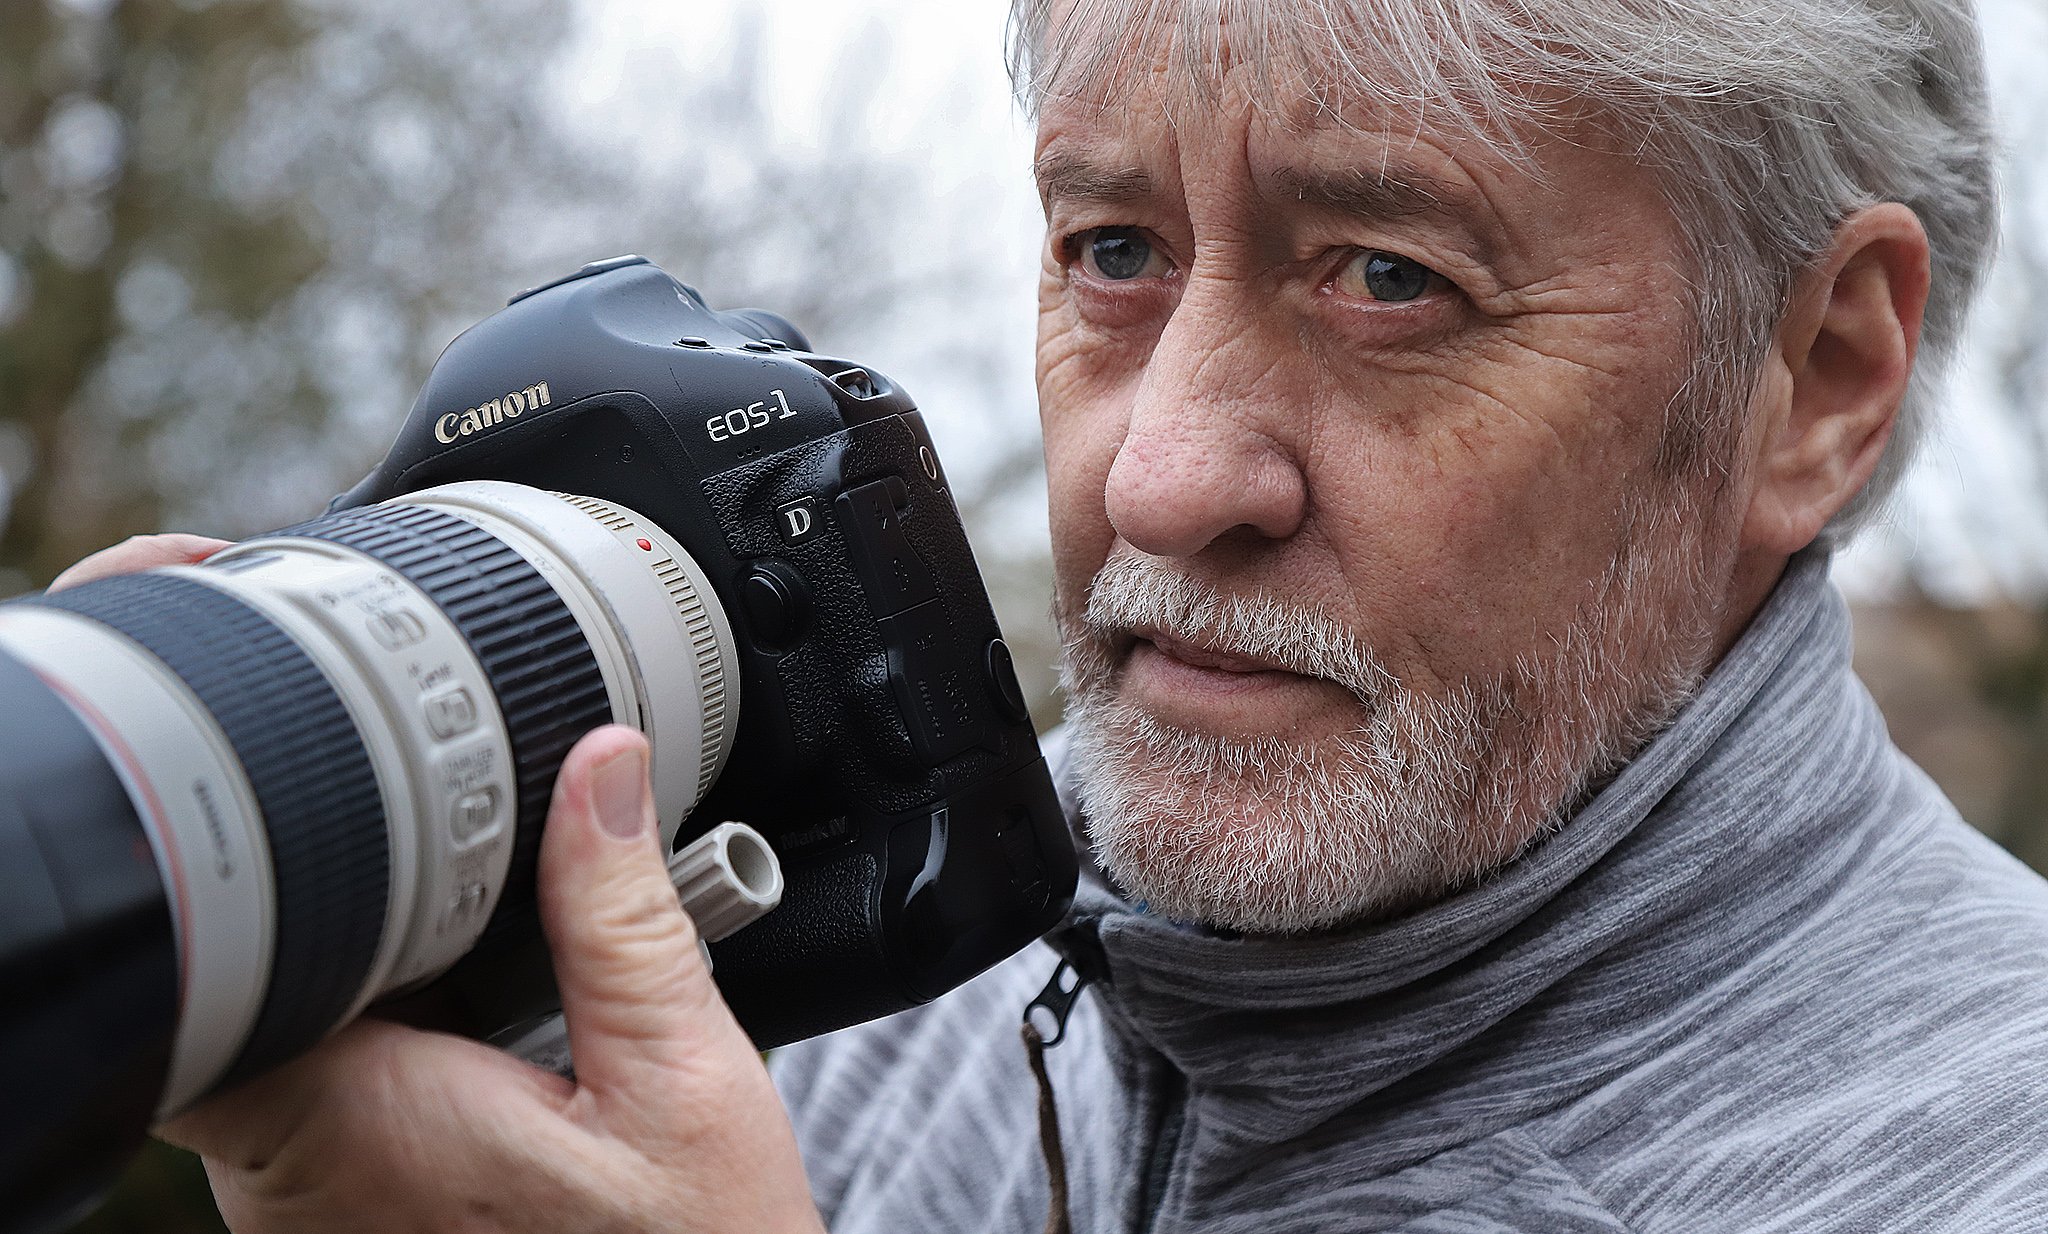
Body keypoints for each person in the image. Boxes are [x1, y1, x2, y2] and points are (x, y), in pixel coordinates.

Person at [56, 0, 2048, 1229]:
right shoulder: (799, 984)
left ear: (1816, 377)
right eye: (1109, 248)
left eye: (1386, 279)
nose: (1163, 476)